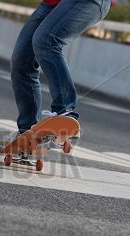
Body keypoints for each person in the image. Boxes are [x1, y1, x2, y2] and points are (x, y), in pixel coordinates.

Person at [10, 0, 111, 139]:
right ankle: (28, 131)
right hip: (51, 3)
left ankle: (65, 112)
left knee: (46, 41)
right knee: (22, 61)